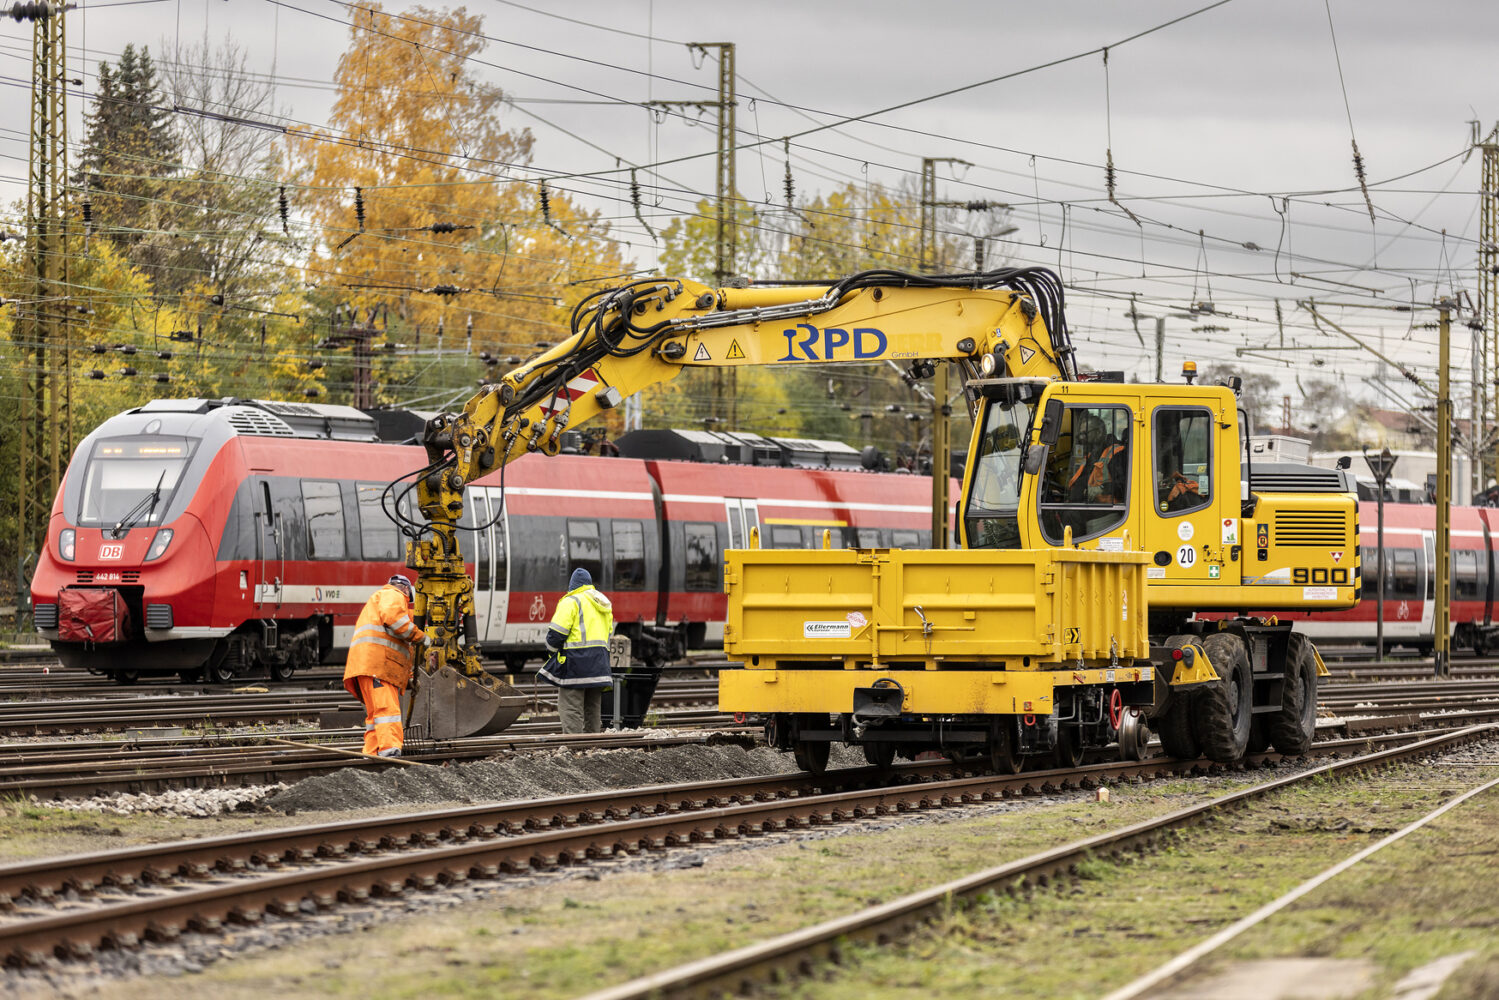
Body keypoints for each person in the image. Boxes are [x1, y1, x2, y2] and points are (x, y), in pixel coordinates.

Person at [343, 573, 427, 757]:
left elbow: (400, 648)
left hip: (367, 667)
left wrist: (409, 678)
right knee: (387, 710)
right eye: (408, 599)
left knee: (375, 716)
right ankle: (390, 752)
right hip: (378, 667)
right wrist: (422, 638)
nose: (407, 602)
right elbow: (395, 620)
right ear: (405, 589)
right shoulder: (393, 594)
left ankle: (372, 753)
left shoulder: (378, 601)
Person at [541, 567, 615, 733]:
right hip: (600, 666)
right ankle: (592, 745)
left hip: (576, 665)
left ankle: (574, 746)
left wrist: (551, 653)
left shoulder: (571, 601)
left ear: (572, 585)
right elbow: (609, 633)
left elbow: (556, 634)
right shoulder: (602, 602)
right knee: (593, 708)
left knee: (570, 707)